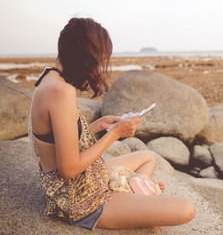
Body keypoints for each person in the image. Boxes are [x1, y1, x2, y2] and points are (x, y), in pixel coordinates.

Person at [28, 17, 196, 231]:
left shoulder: (49, 77)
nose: (98, 67)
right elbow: (69, 168)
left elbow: (56, 140)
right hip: (79, 198)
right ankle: (133, 194)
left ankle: (132, 192)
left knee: (148, 157)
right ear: (86, 55)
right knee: (187, 209)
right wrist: (115, 134)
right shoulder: (60, 91)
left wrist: (97, 126)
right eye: (99, 59)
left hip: (86, 178)